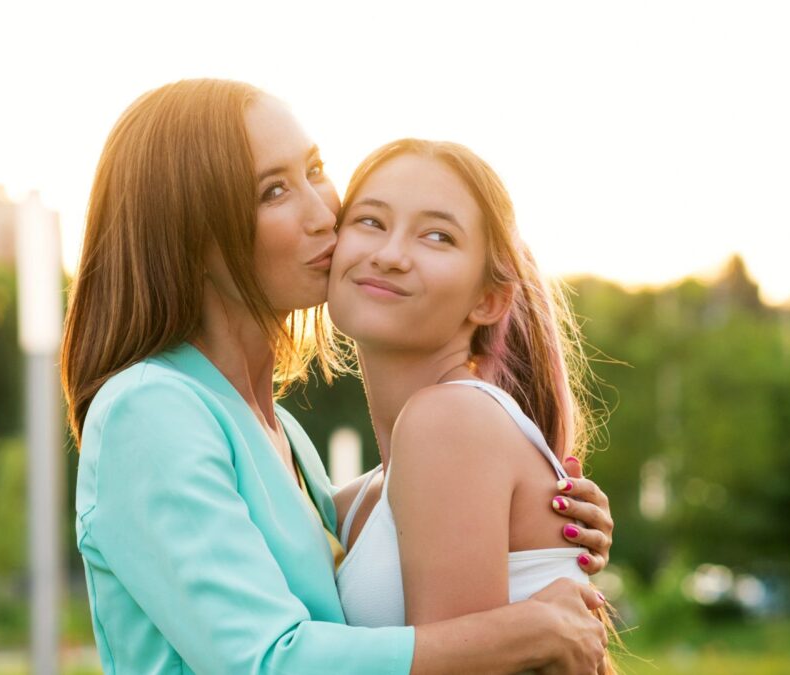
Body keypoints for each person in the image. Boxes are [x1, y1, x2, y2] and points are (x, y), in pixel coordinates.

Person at [62, 79, 615, 674]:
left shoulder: (285, 437)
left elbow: (401, 509)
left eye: (316, 169)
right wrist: (529, 626)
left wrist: (532, 509)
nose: (325, 211)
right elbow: (267, 663)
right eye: (274, 192)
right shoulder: (149, 410)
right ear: (189, 233)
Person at [328, 139, 619, 673]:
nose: (390, 254)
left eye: (437, 235)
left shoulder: (450, 421)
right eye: (370, 221)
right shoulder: (353, 503)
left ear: (488, 300)